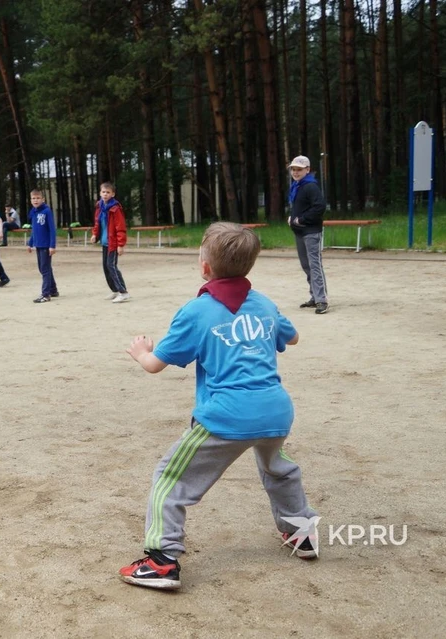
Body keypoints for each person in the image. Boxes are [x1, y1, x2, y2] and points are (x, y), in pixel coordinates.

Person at [120, 222, 318, 591]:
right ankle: (302, 534)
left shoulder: (197, 311)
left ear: (205, 267)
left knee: (169, 479)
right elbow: (293, 337)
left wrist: (141, 352)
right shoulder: (264, 304)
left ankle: (162, 561)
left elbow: (155, 365)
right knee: (279, 470)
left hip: (224, 415)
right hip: (275, 410)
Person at [287, 155, 329, 314]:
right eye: (293, 169)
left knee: (314, 265)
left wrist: (301, 219)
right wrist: (292, 218)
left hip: (311, 232)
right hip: (300, 232)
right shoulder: (297, 186)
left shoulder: (310, 186)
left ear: (307, 170)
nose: (295, 172)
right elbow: (300, 207)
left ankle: (322, 300)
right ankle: (314, 296)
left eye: (299, 169)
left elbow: (319, 207)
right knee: (306, 266)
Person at [90, 182, 129, 303]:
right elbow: (98, 222)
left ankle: (123, 292)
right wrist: (95, 234)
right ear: (100, 193)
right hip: (104, 241)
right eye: (103, 192)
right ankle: (115, 290)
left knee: (111, 266)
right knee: (105, 267)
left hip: (113, 243)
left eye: (108, 192)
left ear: (113, 194)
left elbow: (120, 227)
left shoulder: (115, 209)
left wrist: (120, 245)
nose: (105, 194)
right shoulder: (100, 207)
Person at [26, 189, 58, 303]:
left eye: (38, 198)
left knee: (44, 269)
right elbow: (34, 229)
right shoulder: (33, 212)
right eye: (33, 198)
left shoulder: (46, 211)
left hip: (46, 245)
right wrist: (30, 243)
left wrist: (52, 245)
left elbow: (52, 230)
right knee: (44, 268)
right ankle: (53, 289)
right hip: (38, 244)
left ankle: (46, 294)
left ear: (43, 199)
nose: (36, 200)